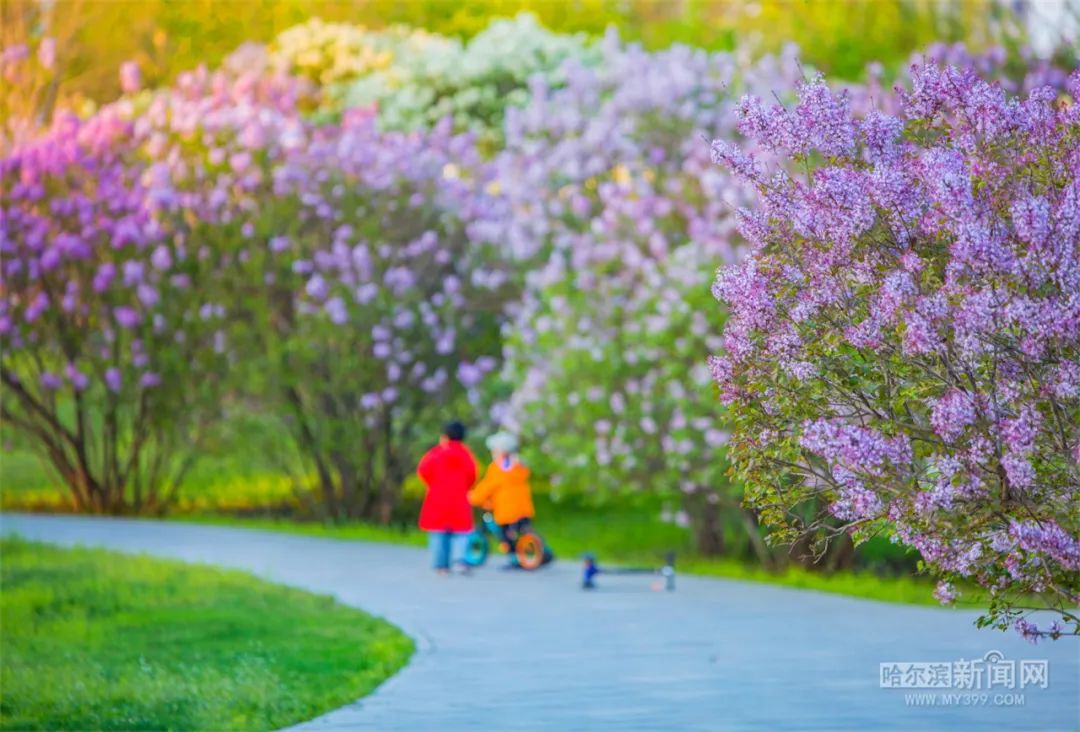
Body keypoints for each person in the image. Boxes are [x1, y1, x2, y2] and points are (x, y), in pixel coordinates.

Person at [417, 420, 478, 575]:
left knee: (438, 534)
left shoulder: (436, 453)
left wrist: (433, 483)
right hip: (459, 499)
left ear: (444, 436)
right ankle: (459, 560)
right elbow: (472, 475)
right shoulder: (466, 455)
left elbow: (423, 470)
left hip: (437, 499)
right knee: (461, 533)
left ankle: (441, 566)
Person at [468, 431, 535, 558]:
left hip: (507, 511)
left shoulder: (497, 468)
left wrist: (473, 497)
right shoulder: (518, 467)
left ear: (500, 452)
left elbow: (487, 487)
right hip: (524, 509)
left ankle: (515, 558)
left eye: (494, 451)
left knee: (507, 537)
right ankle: (530, 555)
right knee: (522, 533)